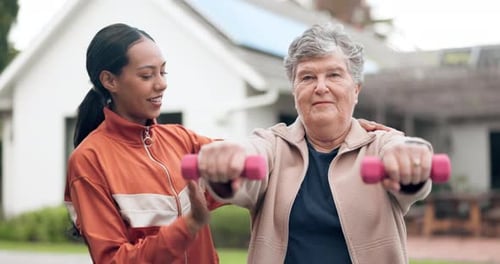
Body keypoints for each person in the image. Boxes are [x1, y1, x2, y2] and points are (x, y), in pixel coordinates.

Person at [195, 23, 434, 264]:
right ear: (295, 91)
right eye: (308, 77)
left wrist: (409, 160)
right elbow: (252, 153)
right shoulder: (273, 145)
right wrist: (230, 160)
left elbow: (403, 152)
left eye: (334, 75)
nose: (321, 87)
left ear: (356, 89)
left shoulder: (381, 144)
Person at [63, 23, 223, 263]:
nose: (161, 84)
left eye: (163, 72)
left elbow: (249, 164)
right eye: (147, 75)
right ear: (109, 80)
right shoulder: (90, 160)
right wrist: (188, 226)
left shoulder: (181, 140)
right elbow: (113, 260)